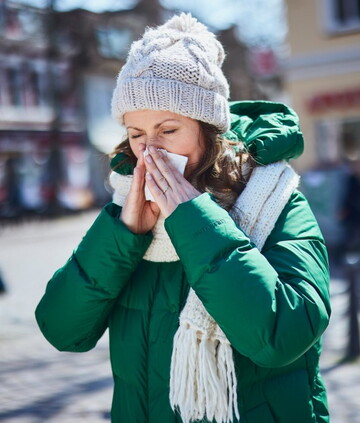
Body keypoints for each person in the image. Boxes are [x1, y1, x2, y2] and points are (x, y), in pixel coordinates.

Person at [35, 13, 331, 423]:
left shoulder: (275, 199)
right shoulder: (129, 209)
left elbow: (284, 333)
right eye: (137, 134)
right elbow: (61, 329)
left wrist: (194, 220)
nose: (150, 151)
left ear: (207, 130)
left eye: (168, 130)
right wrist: (121, 235)